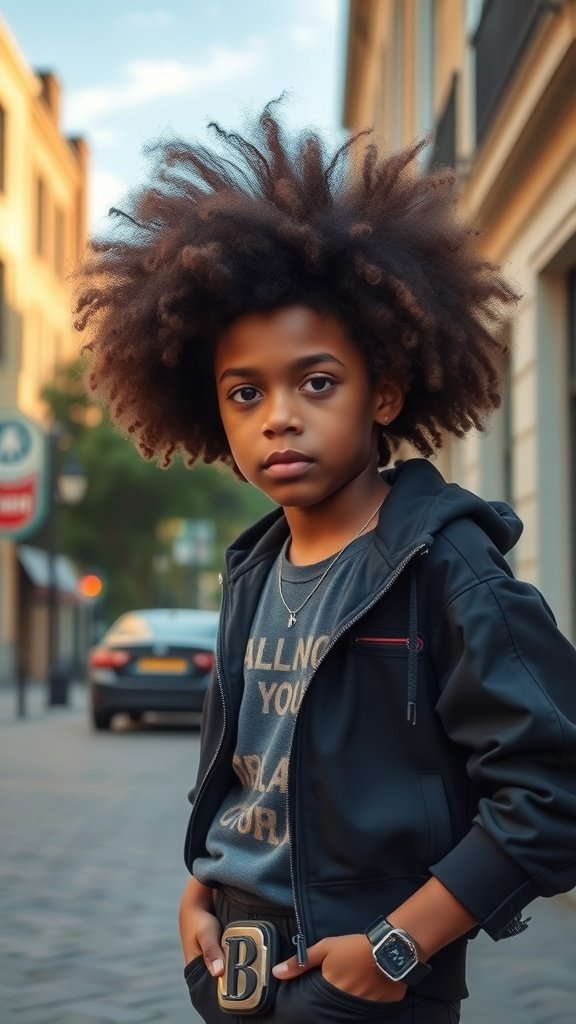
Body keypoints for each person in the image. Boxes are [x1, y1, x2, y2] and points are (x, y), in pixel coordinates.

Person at [75, 100, 576, 1023]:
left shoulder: (446, 565)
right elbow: (249, 768)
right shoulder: (253, 570)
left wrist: (403, 942)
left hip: (365, 978)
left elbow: (556, 788)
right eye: (243, 391)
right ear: (210, 413)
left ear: (383, 391)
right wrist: (203, 884)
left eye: (316, 381)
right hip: (233, 970)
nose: (278, 415)